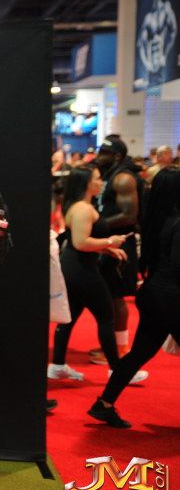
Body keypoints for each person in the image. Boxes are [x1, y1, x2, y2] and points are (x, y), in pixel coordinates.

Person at [90, 167, 180, 428]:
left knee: (139, 353)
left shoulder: (155, 221)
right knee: (138, 353)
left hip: (153, 294)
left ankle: (104, 404)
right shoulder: (176, 222)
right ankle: (104, 404)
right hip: (171, 298)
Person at [47, 166, 146, 382]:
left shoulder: (80, 206)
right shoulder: (83, 209)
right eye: (98, 179)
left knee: (68, 319)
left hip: (76, 267)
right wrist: (110, 241)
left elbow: (81, 242)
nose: (101, 183)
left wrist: (106, 249)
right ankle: (117, 372)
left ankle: (58, 365)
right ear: (87, 183)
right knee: (106, 317)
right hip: (81, 270)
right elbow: (80, 243)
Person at [92, 137, 143, 363]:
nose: (98, 156)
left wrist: (97, 224)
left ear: (117, 156)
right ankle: (112, 344)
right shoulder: (110, 175)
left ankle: (121, 349)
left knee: (116, 295)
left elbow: (129, 215)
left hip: (121, 242)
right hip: (110, 241)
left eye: (104, 152)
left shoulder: (123, 178)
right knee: (109, 294)